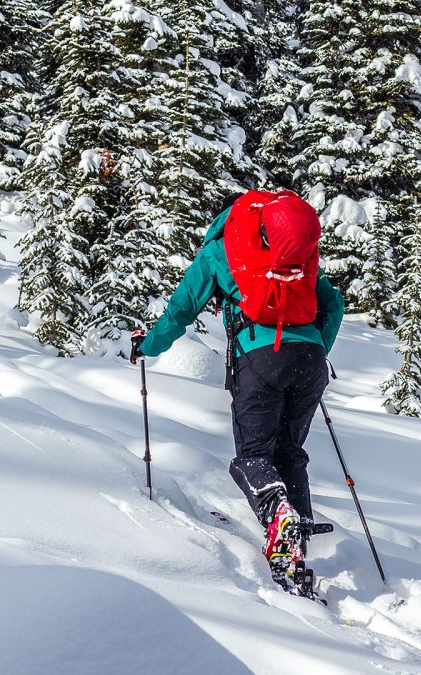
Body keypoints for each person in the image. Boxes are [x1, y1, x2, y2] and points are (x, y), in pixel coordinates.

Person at [130, 190, 344, 587]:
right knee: (289, 451)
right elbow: (333, 303)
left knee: (253, 456)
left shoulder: (221, 249)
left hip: (260, 359)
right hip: (311, 361)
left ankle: (280, 518)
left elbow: (182, 308)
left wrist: (148, 345)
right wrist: (317, 347)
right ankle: (294, 540)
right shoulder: (290, 249)